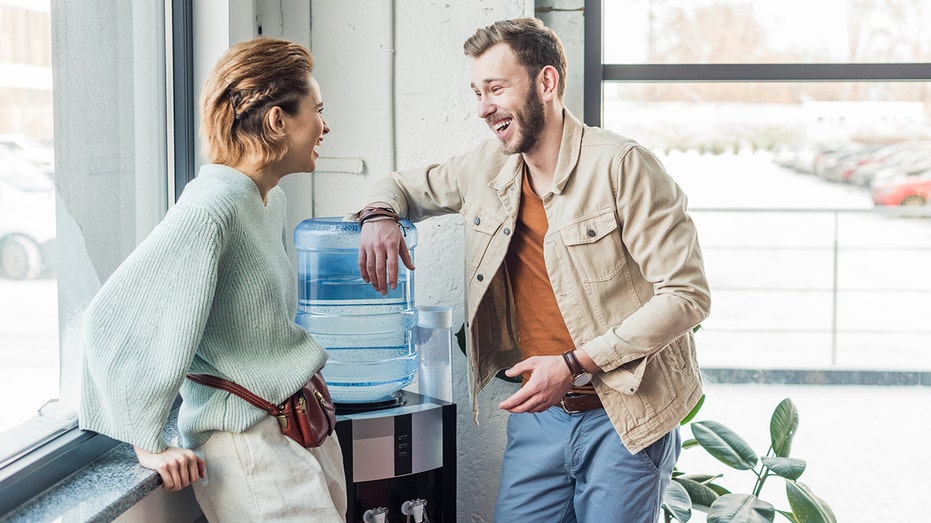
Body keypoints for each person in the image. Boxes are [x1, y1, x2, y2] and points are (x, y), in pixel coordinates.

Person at [356, 18, 710, 522]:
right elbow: (401, 185)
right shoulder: (487, 166)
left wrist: (572, 365)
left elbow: (686, 295)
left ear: (546, 83)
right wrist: (379, 215)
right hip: (538, 417)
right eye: (478, 92)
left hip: (626, 418)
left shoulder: (624, 166)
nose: (483, 109)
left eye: (496, 89)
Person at [79, 38, 347, 522]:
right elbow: (110, 318)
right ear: (277, 121)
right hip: (249, 447)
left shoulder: (266, 200)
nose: (325, 126)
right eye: (318, 111)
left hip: (299, 425)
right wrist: (147, 440)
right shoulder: (211, 208)